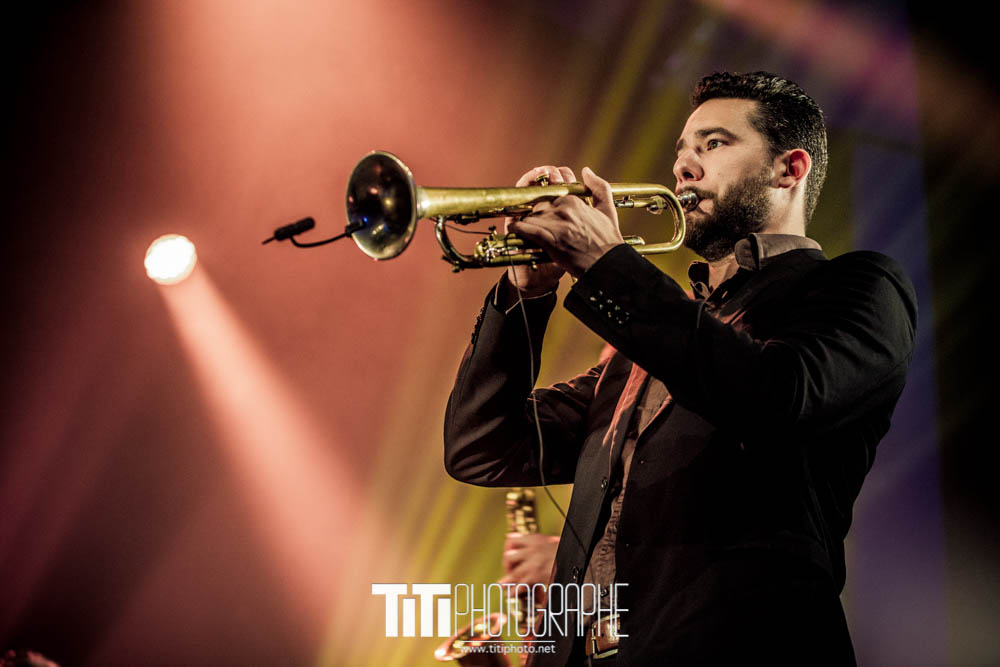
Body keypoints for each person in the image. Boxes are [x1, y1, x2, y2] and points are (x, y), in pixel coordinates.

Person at [443, 71, 916, 666]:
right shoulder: (644, 348)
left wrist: (606, 263)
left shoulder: (857, 287)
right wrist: (527, 294)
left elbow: (777, 395)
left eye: (713, 145)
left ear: (789, 168)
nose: (683, 167)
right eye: (682, 151)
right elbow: (482, 448)